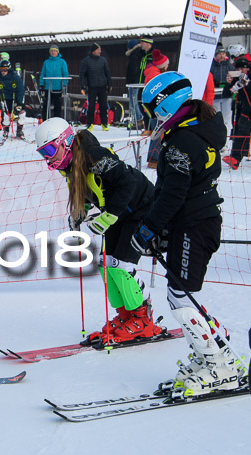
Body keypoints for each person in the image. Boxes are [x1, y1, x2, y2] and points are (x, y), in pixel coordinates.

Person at [132, 71, 244, 397]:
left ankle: (218, 366)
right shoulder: (195, 130)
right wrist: (164, 229)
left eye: (154, 110)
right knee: (180, 296)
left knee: (181, 299)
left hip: (195, 224)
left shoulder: (181, 141)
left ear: (167, 104)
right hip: (195, 223)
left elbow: (172, 194)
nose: (153, 118)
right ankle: (213, 356)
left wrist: (148, 229)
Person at [35, 118, 159, 345]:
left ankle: (143, 318)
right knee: (106, 264)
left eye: (51, 149)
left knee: (121, 265)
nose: (48, 157)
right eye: (44, 152)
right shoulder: (69, 165)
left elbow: (128, 183)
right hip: (120, 212)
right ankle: (125, 315)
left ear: (66, 141)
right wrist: (79, 212)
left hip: (141, 208)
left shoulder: (95, 156)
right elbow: (85, 190)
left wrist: (110, 214)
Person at [224, 54, 251, 170]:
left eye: (242, 69)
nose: (240, 71)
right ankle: (235, 158)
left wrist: (247, 83)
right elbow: (227, 93)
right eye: (237, 69)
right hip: (246, 111)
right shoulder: (237, 79)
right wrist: (229, 82)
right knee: (241, 134)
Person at [0, 59, 25, 139]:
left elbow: (21, 90)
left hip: (16, 95)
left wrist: (19, 103)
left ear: (8, 69)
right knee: (6, 114)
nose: (3, 72)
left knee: (21, 113)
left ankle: (19, 130)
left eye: (5, 70)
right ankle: (6, 130)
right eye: (1, 69)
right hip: (6, 96)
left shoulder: (15, 77)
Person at [79, 43, 112, 131]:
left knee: (103, 106)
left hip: (102, 86)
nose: (100, 51)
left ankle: (104, 124)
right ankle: (90, 124)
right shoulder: (86, 61)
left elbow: (107, 73)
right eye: (98, 50)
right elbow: (82, 74)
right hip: (92, 87)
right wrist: (82, 86)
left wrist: (110, 84)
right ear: (93, 51)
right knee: (91, 107)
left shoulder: (103, 60)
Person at [125, 36, 153, 132]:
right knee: (141, 104)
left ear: (148, 43)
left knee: (145, 105)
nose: (140, 44)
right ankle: (146, 127)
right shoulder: (142, 54)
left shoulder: (151, 55)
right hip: (140, 82)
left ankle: (149, 126)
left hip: (147, 83)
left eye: (142, 42)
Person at [39, 44, 69, 119]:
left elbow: (65, 73)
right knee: (46, 105)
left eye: (54, 51)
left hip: (58, 86)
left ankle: (57, 119)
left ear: (57, 52)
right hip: (48, 86)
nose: (53, 52)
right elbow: (43, 73)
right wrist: (41, 83)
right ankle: (45, 119)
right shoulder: (46, 62)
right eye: (52, 51)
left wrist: (64, 84)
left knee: (57, 105)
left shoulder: (62, 62)